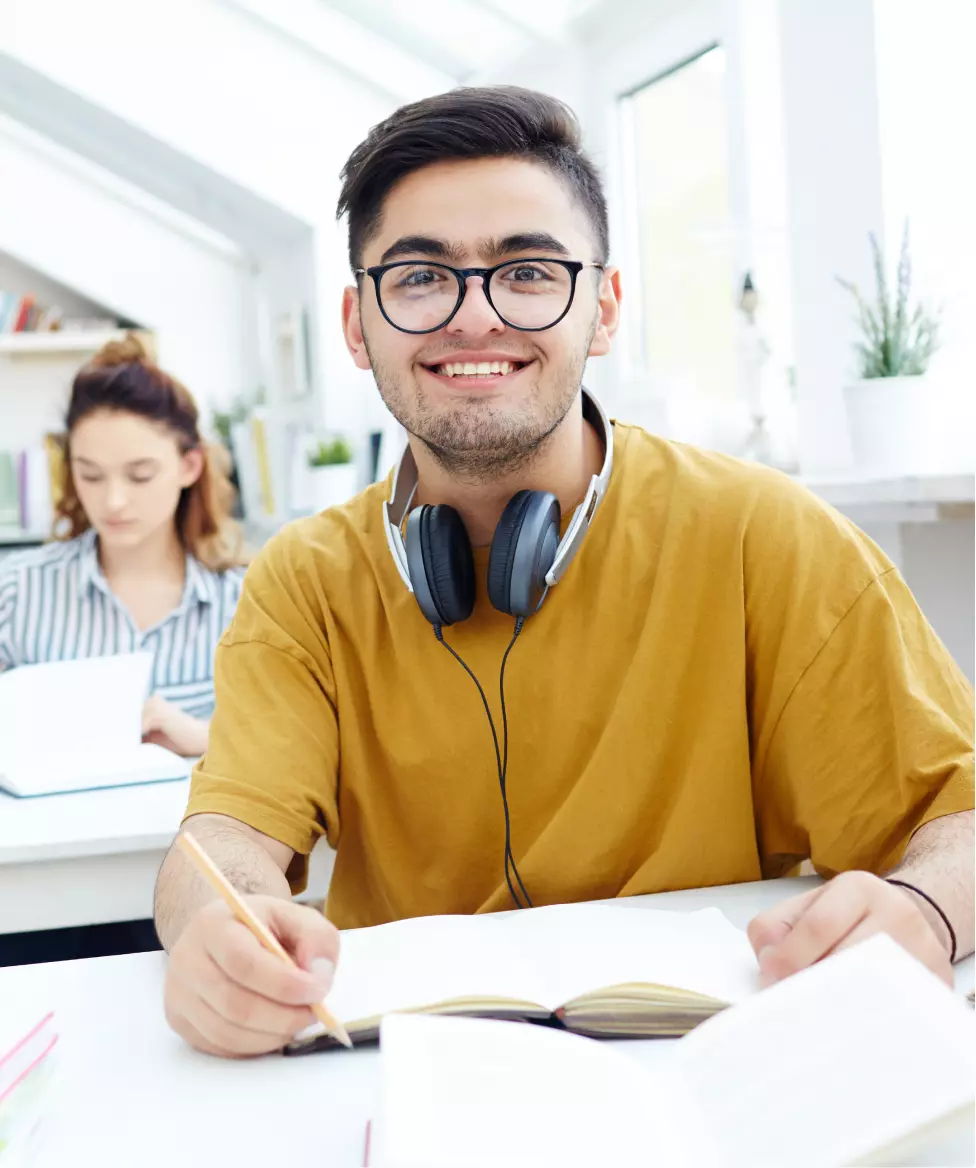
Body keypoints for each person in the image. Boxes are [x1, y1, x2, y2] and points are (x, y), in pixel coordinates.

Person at [154, 87, 973, 1058]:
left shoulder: (765, 535)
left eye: (529, 271)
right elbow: (223, 841)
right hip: (411, 1069)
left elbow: (956, 817)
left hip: (719, 1061)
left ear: (604, 306)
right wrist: (217, 924)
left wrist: (925, 909)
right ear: (356, 320)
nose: (474, 318)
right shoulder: (303, 579)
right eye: (419, 278)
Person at [0, 333, 247, 758]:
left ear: (188, 466)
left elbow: (295, 760)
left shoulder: (244, 601)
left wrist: (205, 739)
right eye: (91, 475)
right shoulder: (17, 591)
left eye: (140, 475)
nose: (113, 501)